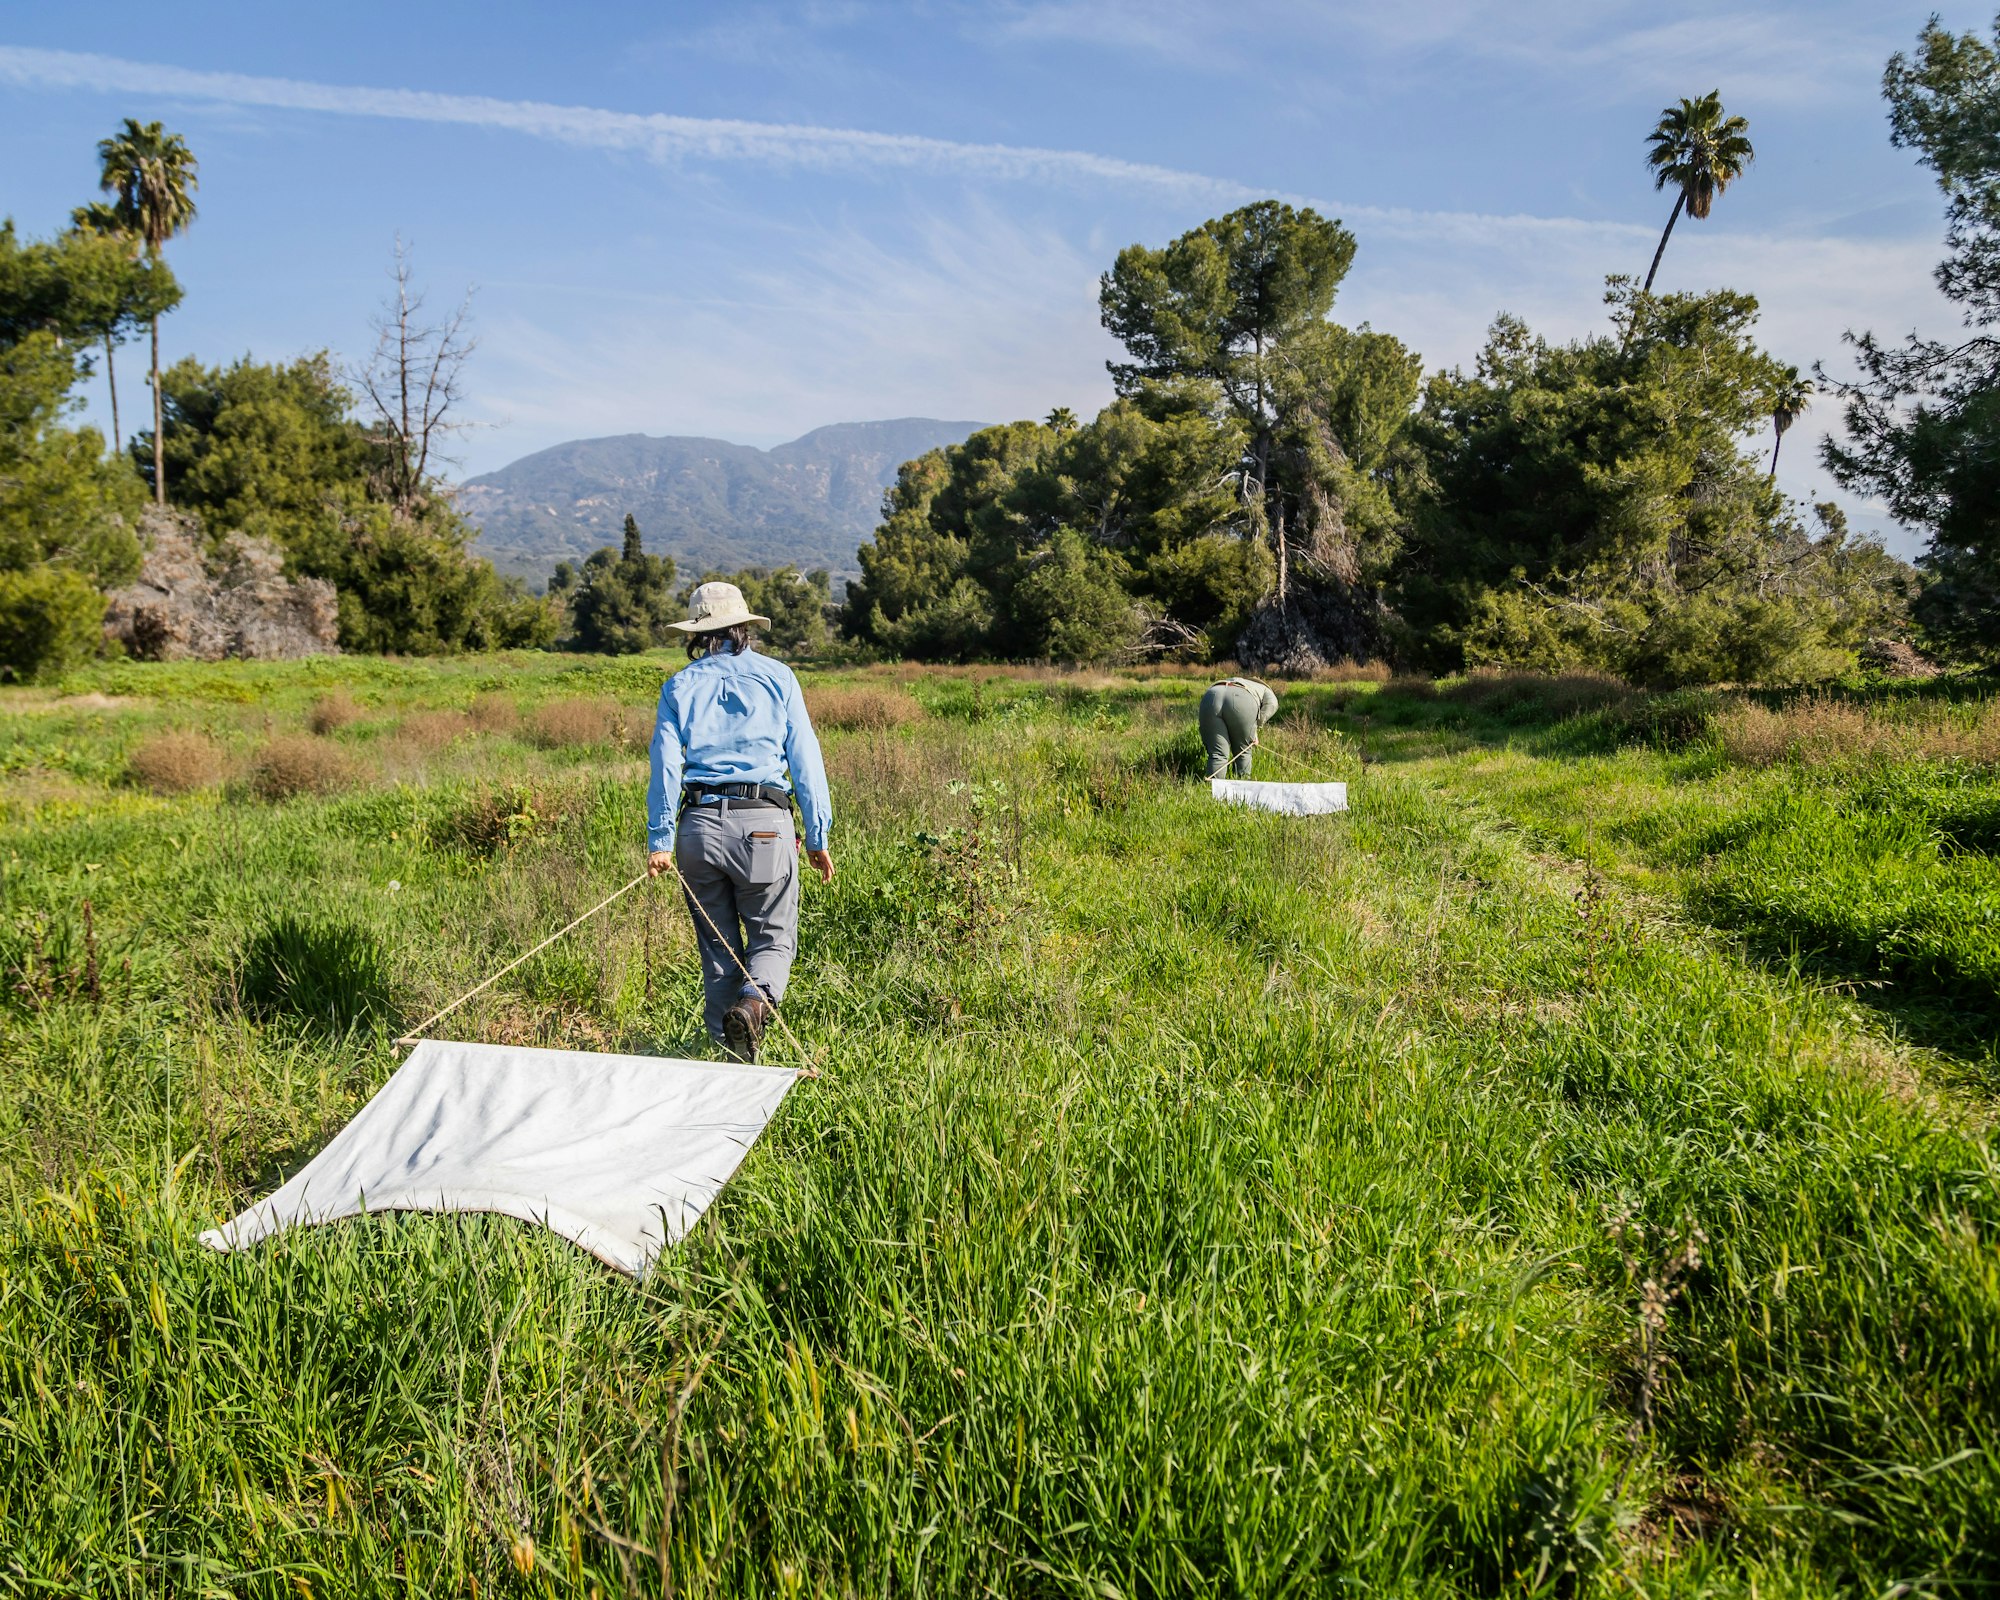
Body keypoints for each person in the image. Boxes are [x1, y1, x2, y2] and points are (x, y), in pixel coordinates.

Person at [645, 581, 833, 1062]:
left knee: (718, 953)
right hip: (766, 826)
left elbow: (666, 767)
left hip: (698, 831)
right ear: (744, 627)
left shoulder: (678, 686)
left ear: (698, 633)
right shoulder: (779, 677)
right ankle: (753, 1007)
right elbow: (805, 759)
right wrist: (817, 833)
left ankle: (730, 1067)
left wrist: (660, 840)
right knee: (772, 938)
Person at [1198, 675, 1279, 779]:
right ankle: (1242, 790)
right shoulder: (1264, 688)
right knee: (1243, 752)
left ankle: (1213, 790)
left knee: (1217, 754)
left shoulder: (1232, 680)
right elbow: (1272, 704)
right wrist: (1257, 726)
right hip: (1242, 699)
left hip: (1211, 695)